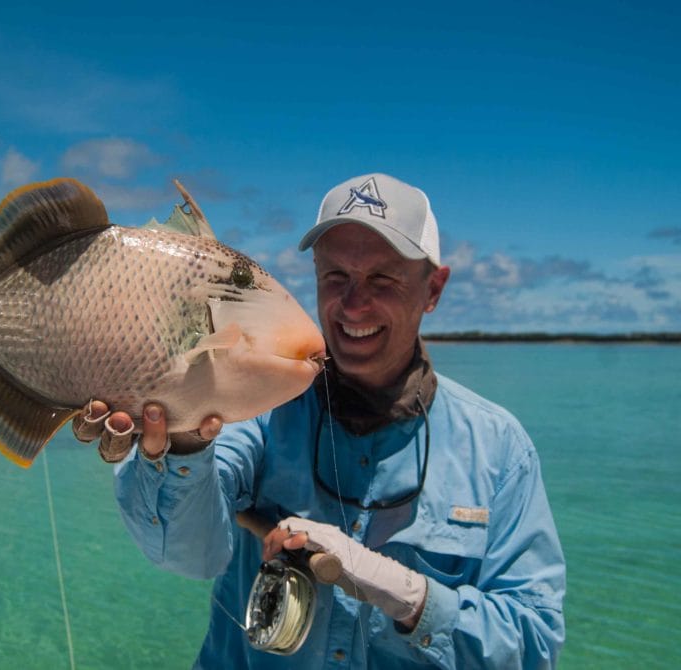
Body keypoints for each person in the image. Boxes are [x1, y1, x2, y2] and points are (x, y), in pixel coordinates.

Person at [74, 173, 566, 668]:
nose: (353, 304)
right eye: (335, 276)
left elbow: (535, 643)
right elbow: (186, 554)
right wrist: (179, 440)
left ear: (433, 289)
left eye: (382, 279)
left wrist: (408, 595)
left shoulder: (500, 449)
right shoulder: (257, 404)